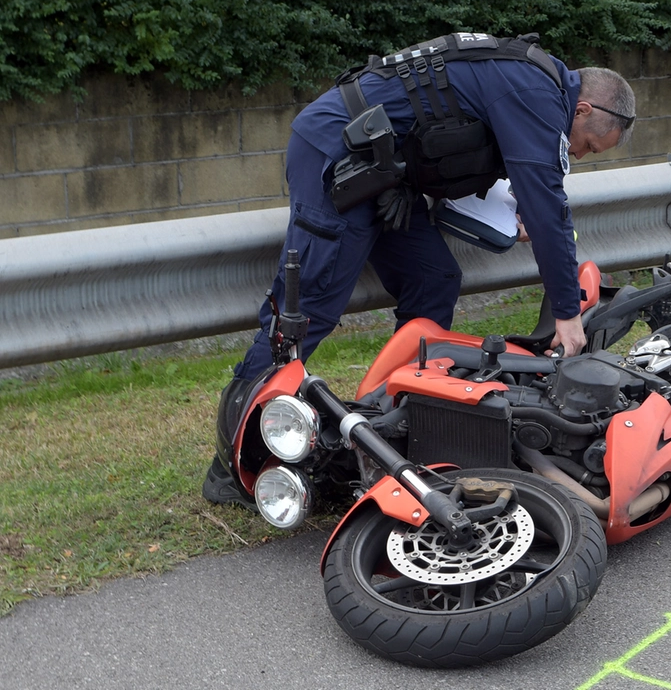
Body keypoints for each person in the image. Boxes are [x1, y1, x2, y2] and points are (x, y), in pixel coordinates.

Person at [203, 32, 636, 507]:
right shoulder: (536, 92)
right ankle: (233, 464)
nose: (579, 155)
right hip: (336, 154)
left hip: (384, 174)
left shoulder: (530, 80)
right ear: (585, 110)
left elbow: (459, 144)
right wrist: (567, 311)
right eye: (589, 146)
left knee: (434, 279)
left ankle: (403, 422)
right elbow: (548, 202)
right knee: (307, 310)